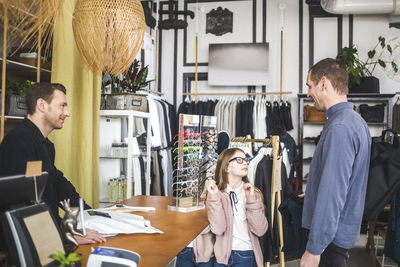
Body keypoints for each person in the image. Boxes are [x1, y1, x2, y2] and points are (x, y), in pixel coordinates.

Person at [0, 82, 105, 244]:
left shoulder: (44, 144)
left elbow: (56, 182)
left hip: (45, 234)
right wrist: (64, 234)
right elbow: (23, 203)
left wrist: (87, 212)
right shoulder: (19, 142)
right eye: (62, 106)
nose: (67, 113)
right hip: (24, 241)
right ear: (42, 105)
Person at [300, 58, 371, 267]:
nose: (308, 93)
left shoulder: (340, 127)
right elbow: (345, 181)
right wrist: (314, 191)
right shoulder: (355, 121)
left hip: (329, 243)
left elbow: (333, 193)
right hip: (336, 236)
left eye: (309, 86)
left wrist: (314, 249)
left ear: (323, 83)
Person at [206, 148, 268, 267]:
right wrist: (213, 198)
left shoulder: (253, 193)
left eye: (246, 160)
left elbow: (260, 230)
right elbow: (218, 229)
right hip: (221, 257)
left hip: (245, 254)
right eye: (239, 160)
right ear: (226, 167)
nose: (245, 163)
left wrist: (250, 199)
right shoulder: (215, 193)